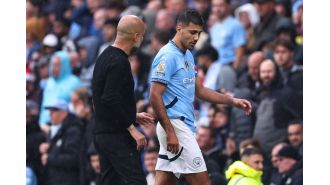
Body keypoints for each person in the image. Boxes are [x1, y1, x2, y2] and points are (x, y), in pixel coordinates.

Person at [149, 10, 252, 185]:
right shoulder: (167, 56)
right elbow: (154, 95)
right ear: (179, 28)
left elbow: (201, 90)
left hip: (181, 126)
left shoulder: (188, 55)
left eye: (199, 33)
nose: (196, 38)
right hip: (175, 126)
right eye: (192, 32)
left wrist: (232, 101)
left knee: (164, 182)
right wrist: (171, 132)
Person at [92, 15, 155, 185]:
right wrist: (132, 128)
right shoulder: (120, 62)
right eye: (142, 36)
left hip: (103, 133)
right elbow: (110, 99)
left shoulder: (104, 56)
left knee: (108, 181)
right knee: (136, 181)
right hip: (116, 135)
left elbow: (101, 99)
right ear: (135, 37)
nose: (142, 40)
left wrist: (132, 115)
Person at [39, 100, 84, 185]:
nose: (50, 114)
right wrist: (48, 147)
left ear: (64, 113)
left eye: (54, 111)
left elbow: (73, 158)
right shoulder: (55, 129)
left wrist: (49, 158)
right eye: (50, 111)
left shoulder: (73, 131)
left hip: (67, 180)